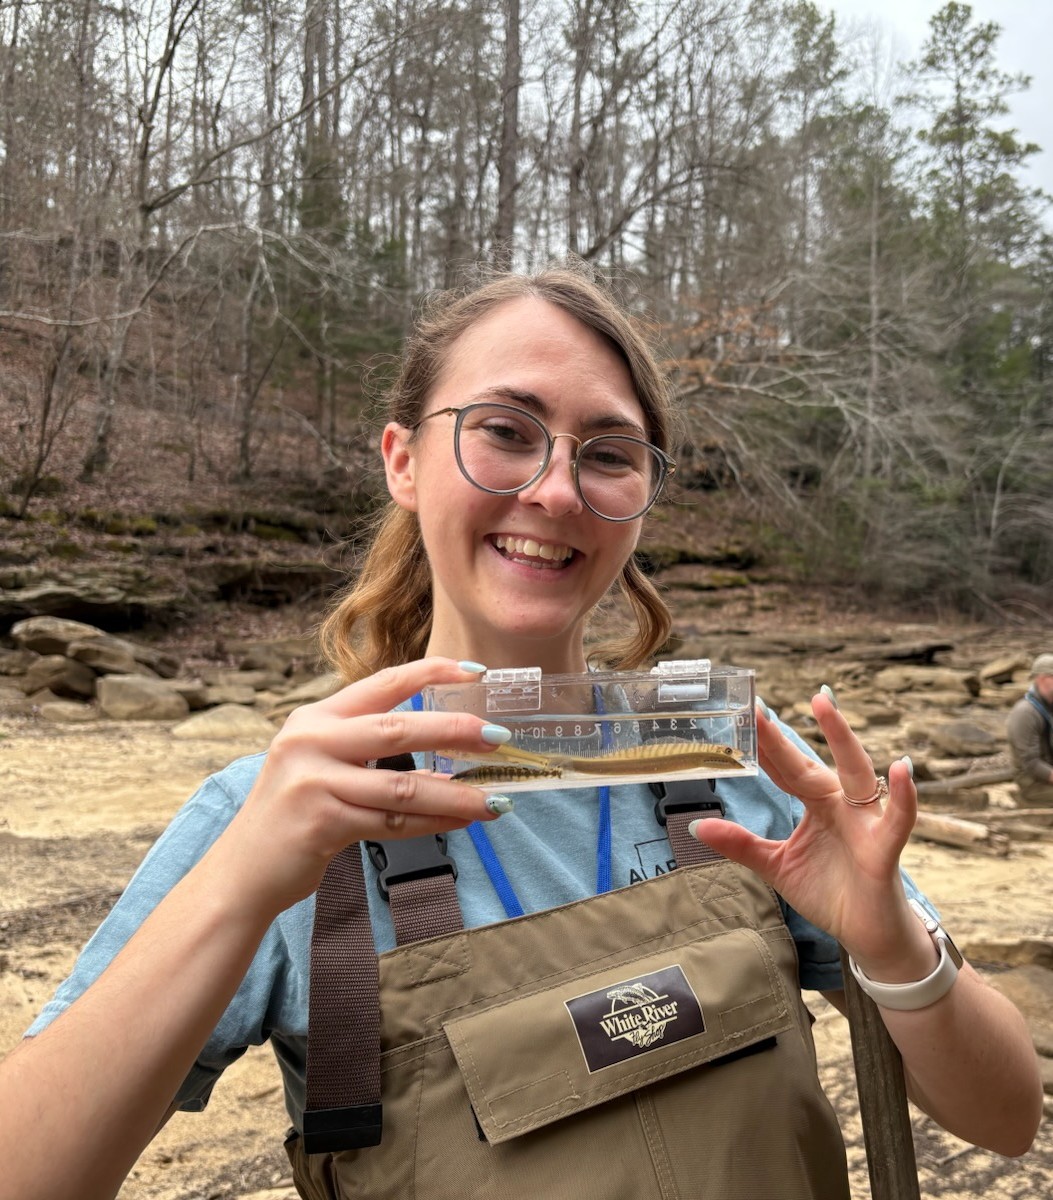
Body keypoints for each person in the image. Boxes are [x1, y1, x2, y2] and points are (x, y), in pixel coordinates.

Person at [0, 265, 1041, 1200]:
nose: (554, 489)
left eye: (609, 453)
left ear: (640, 499)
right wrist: (235, 887)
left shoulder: (731, 768)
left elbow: (1004, 1120)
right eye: (504, 430)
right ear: (404, 461)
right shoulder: (277, 814)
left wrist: (895, 943)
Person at [1007, 653, 1053, 806]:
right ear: (1041, 679)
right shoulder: (1025, 713)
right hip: (1033, 785)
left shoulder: (1048, 707)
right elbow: (1031, 763)